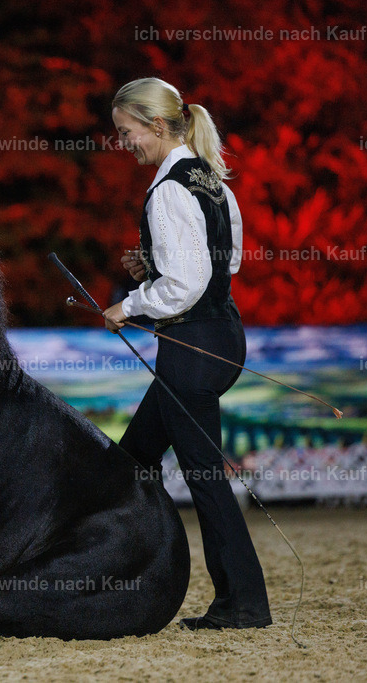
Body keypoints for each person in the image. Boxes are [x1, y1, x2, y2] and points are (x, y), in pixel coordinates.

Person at [101, 77, 272, 631]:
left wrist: (129, 306)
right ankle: (116, 573)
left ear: (155, 125)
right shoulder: (212, 179)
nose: (124, 143)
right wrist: (153, 270)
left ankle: (244, 604)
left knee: (203, 478)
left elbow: (187, 283)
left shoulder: (169, 187)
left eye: (127, 132)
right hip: (223, 337)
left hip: (193, 348)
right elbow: (227, 264)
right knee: (131, 465)